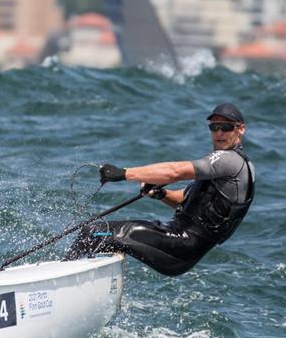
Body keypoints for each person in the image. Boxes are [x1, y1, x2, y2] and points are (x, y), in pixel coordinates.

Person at [65, 103, 255, 276]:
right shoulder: (231, 165)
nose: (219, 132)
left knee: (93, 232)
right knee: (103, 235)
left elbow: (175, 172)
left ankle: (62, 279)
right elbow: (185, 200)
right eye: (214, 127)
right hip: (177, 240)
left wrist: (123, 173)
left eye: (226, 127)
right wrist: (162, 194)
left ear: (241, 129)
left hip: (181, 244)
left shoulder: (230, 161)